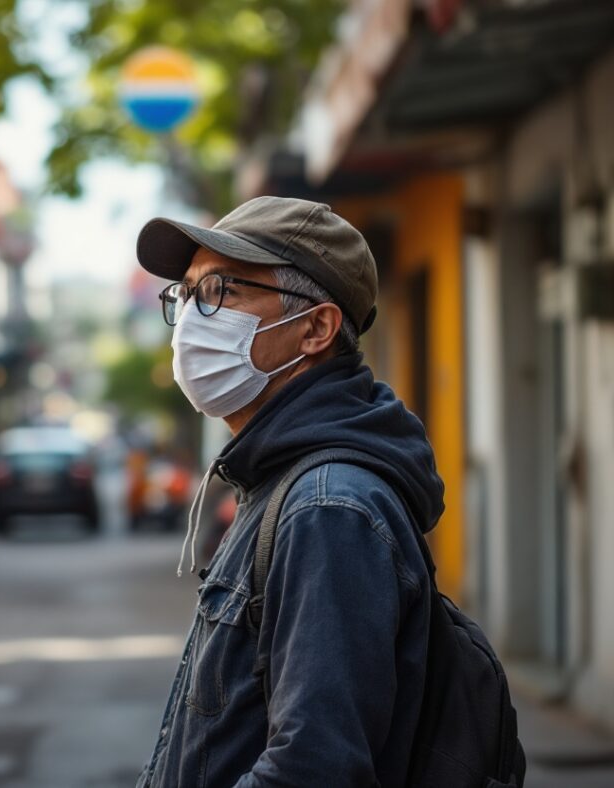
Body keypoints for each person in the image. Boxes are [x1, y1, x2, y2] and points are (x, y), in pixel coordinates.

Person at [134, 196, 445, 787]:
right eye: (187, 294)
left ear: (316, 328)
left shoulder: (327, 506)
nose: (195, 318)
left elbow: (315, 769)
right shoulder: (278, 478)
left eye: (223, 291)